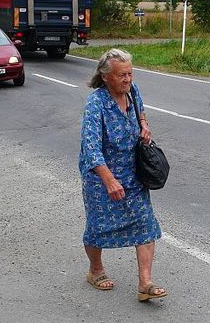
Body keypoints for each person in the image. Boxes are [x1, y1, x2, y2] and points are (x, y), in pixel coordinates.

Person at [79, 48, 167, 301]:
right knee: (98, 228)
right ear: (106, 77)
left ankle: (145, 283)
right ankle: (96, 271)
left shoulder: (132, 92)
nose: (127, 80)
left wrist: (144, 125)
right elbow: (91, 147)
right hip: (101, 176)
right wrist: (108, 180)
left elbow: (141, 111)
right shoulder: (96, 103)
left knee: (145, 223)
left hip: (133, 172)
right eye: (121, 75)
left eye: (130, 74)